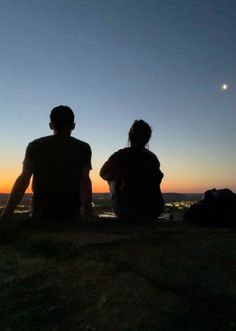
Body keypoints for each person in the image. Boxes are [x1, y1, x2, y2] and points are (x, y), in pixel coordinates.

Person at [1, 105, 92, 221]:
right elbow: (85, 181)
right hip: (71, 213)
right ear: (73, 126)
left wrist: (6, 213)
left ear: (51, 125)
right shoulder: (83, 148)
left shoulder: (35, 145)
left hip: (40, 212)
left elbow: (23, 179)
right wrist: (88, 213)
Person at [100, 120, 164, 223]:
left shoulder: (120, 155)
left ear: (130, 136)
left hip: (127, 212)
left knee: (112, 179)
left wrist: (118, 177)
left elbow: (103, 173)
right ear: (147, 139)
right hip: (152, 212)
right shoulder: (153, 158)